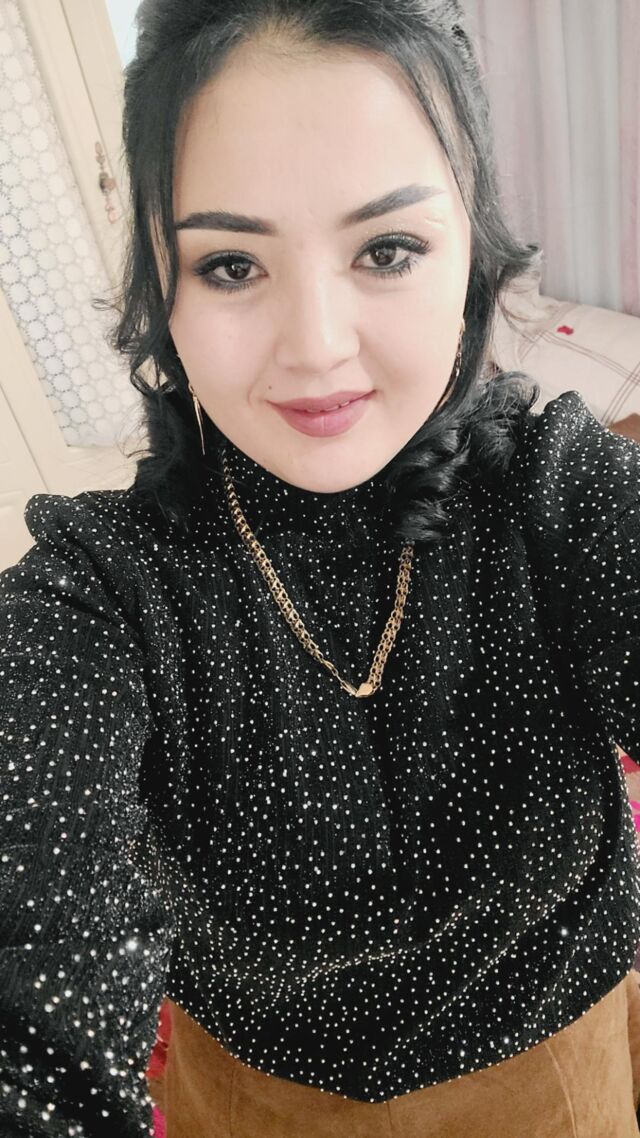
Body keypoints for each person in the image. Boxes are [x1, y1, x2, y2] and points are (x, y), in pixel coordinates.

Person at [1, 0, 640, 1135]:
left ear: (470, 249)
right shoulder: (98, 595)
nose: (316, 347)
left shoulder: (557, 493)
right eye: (231, 263)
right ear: (162, 285)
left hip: (550, 1067)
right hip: (250, 1094)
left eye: (386, 251)